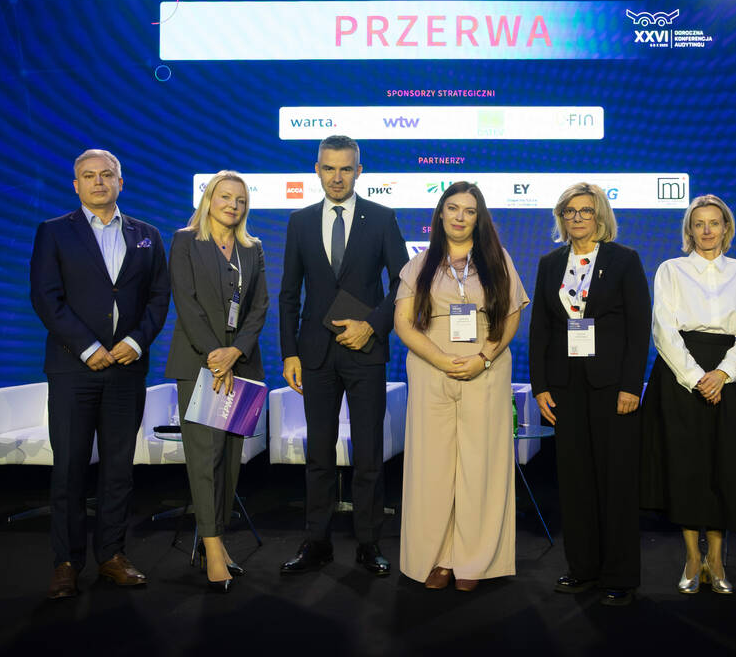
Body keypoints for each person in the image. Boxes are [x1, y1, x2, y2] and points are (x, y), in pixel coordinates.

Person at [30, 148, 170, 600]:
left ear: (120, 182)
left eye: (106, 174)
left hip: (127, 369)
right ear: (76, 185)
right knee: (69, 468)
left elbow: (159, 298)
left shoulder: (147, 235)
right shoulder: (54, 232)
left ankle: (111, 555)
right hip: (73, 369)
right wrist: (88, 348)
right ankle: (67, 563)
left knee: (118, 470)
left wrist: (136, 342)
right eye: (88, 176)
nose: (98, 182)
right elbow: (45, 297)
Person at [277, 135, 408, 576]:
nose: (337, 177)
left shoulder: (383, 218)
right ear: (317, 170)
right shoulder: (299, 221)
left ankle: (369, 543)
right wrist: (289, 353)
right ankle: (316, 542)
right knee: (319, 453)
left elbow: (402, 283)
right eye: (329, 168)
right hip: (314, 355)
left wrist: (371, 324)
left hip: (366, 351)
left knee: (368, 453)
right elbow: (289, 294)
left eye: (345, 168)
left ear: (359, 171)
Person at [395, 182, 529, 592]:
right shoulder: (419, 264)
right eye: (452, 208)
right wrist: (440, 360)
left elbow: (511, 315)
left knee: (480, 465)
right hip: (431, 370)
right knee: (433, 468)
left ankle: (475, 560)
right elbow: (403, 323)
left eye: (469, 211)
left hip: (485, 369)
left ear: (479, 218)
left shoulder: (497, 259)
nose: (459, 217)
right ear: (440, 213)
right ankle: (438, 558)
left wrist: (483, 357)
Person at [528, 182, 651, 606]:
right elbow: (541, 328)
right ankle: (582, 568)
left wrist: (631, 385)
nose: (577, 218)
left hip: (613, 387)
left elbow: (639, 327)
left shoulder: (624, 260)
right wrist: (540, 386)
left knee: (615, 482)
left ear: (600, 216)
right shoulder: (550, 263)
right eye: (569, 211)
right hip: (565, 387)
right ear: (561, 218)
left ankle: (619, 575)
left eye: (585, 210)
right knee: (575, 481)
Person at [640, 194, 736, 595]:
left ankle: (717, 558)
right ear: (689, 230)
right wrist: (697, 378)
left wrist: (724, 373)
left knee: (724, 466)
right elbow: (663, 329)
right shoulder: (671, 269)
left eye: (714, 223)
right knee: (687, 467)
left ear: (726, 228)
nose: (707, 230)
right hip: (681, 376)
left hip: (727, 372)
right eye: (699, 224)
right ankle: (693, 557)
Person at [164, 171, 268, 592]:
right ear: (209, 199)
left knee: (229, 459)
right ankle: (210, 548)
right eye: (225, 197)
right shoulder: (185, 241)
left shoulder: (252, 248)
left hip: (240, 365)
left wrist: (235, 352)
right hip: (199, 363)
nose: (233, 206)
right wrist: (215, 355)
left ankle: (219, 540)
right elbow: (186, 303)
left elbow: (259, 307)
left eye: (240, 200)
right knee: (205, 457)